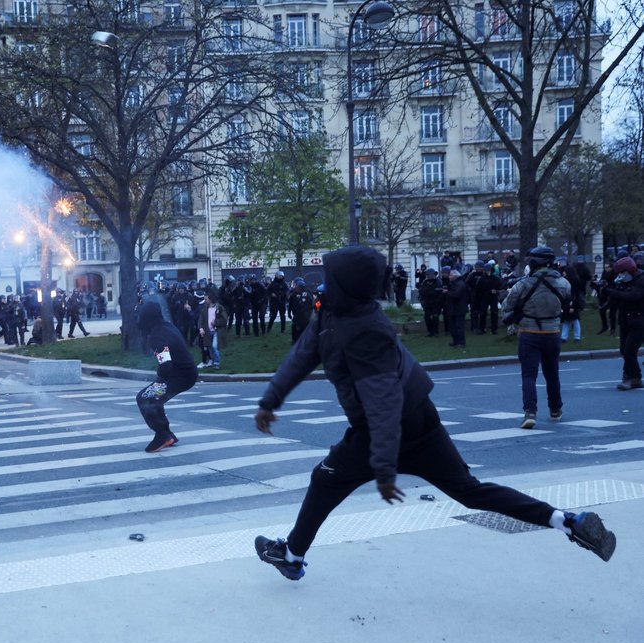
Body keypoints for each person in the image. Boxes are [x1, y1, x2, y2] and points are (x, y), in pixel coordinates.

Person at [251, 245, 616, 583]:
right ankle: (566, 521)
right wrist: (271, 399)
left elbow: (383, 403)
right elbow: (303, 353)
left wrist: (382, 466)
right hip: (416, 419)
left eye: (330, 276)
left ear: (346, 284)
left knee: (325, 481)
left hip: (387, 429)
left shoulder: (366, 330)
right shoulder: (332, 311)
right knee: (471, 491)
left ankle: (292, 557)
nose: (323, 282)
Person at [500, 246, 571, 429]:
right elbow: (567, 303)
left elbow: (507, 307)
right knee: (552, 374)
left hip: (529, 333)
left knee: (529, 376)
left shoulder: (523, 284)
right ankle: (555, 409)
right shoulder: (563, 283)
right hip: (553, 333)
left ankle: (530, 413)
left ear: (533, 263)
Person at [135, 301, 198, 453]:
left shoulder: (156, 335)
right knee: (154, 397)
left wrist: (159, 380)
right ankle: (167, 433)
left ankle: (162, 434)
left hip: (179, 376)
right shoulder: (167, 326)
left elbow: (166, 366)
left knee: (144, 398)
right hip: (187, 373)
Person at [608, 256, 644, 390]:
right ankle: (635, 377)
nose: (620, 276)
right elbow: (618, 299)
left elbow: (632, 296)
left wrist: (612, 292)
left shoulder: (641, 280)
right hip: (625, 320)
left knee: (629, 350)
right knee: (625, 350)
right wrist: (607, 290)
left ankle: (629, 377)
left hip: (638, 320)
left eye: (622, 273)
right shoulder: (624, 282)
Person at [197, 290, 227, 370]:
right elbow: (200, 320)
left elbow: (224, 320)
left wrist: (216, 322)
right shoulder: (205, 309)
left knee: (214, 346)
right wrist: (201, 328)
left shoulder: (219, 307)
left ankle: (217, 363)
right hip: (207, 332)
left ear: (210, 299)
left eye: (206, 299)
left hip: (216, 331)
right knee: (209, 347)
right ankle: (213, 361)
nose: (205, 300)